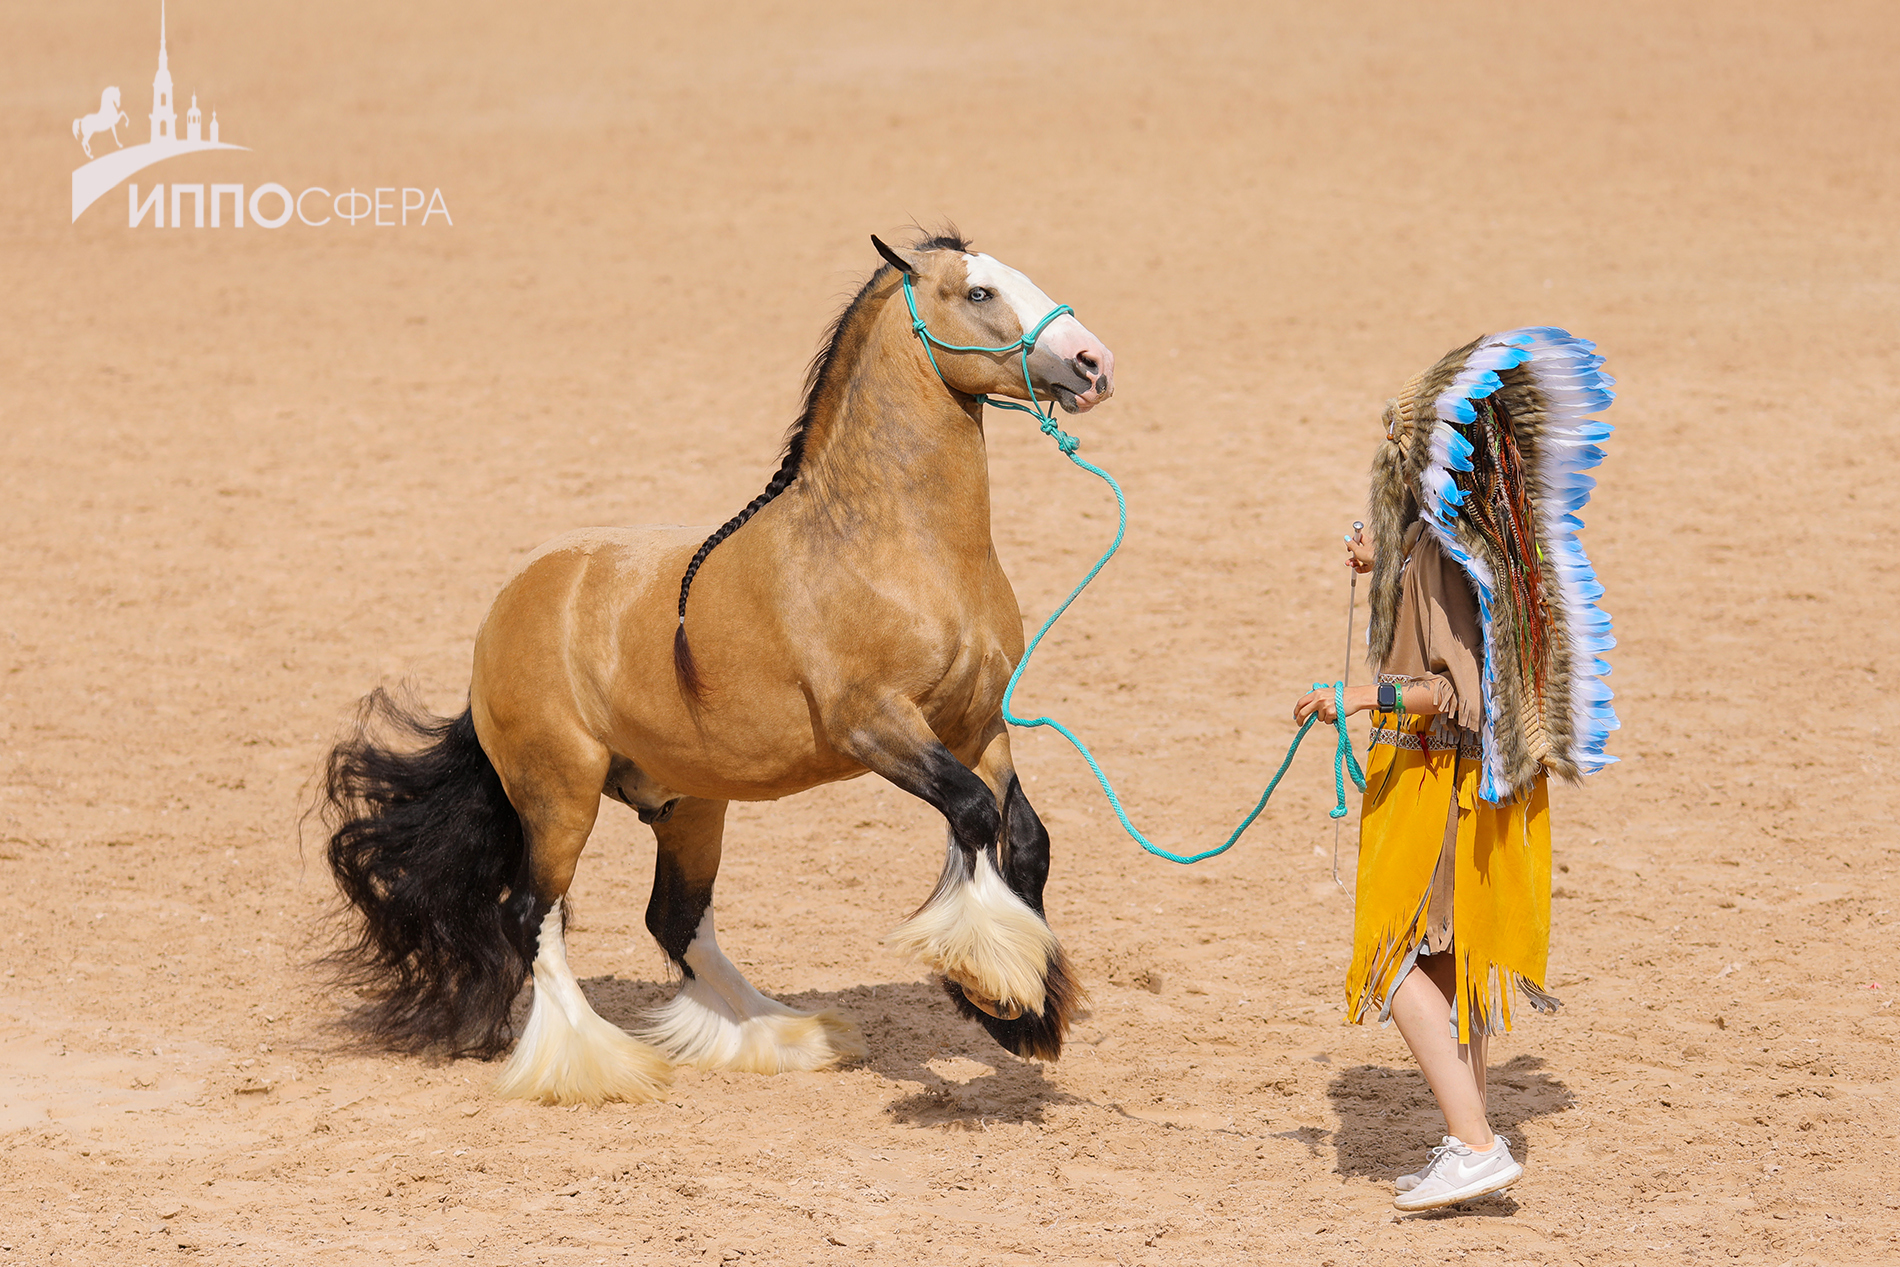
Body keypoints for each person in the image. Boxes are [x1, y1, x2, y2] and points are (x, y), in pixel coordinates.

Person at [1294, 328, 1618, 1213]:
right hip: (1493, 788)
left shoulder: (1442, 553)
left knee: (1396, 958)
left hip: (1445, 783)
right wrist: (1388, 562)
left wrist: (1360, 697)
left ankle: (1475, 1143)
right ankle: (1464, 1139)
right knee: (1454, 967)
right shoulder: (1489, 542)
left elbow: (1453, 692)